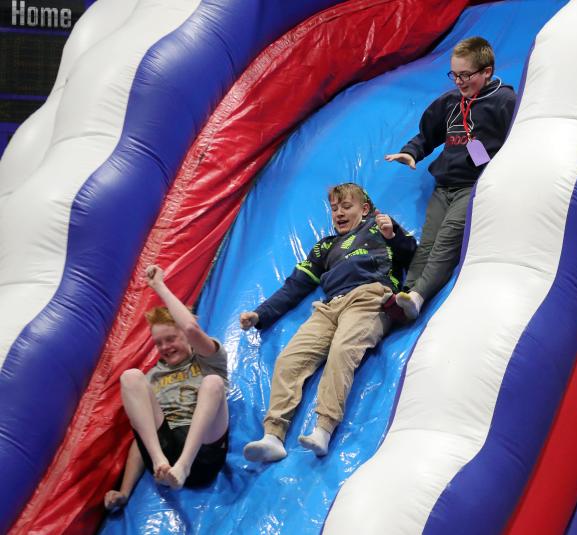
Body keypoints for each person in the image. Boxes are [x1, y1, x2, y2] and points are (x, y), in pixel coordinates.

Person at [240, 183, 416, 462]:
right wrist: (260, 314)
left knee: (343, 350)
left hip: (368, 296)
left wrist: (392, 235)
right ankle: (273, 436)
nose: (339, 213)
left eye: (346, 207)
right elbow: (294, 286)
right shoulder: (325, 246)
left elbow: (411, 252)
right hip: (329, 307)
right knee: (289, 360)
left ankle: (323, 429)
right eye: (334, 209)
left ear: (365, 209)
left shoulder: (378, 227)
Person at [385, 36, 515, 320]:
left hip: (474, 185)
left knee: (446, 242)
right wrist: (411, 154)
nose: (459, 81)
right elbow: (426, 136)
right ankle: (404, 296)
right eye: (454, 75)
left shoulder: (503, 100)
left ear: (487, 72)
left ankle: (419, 296)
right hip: (444, 186)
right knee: (428, 243)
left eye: (466, 75)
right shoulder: (450, 102)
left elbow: (516, 139)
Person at [104, 265, 229, 511]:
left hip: (203, 453)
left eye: (171, 338)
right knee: (130, 377)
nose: (165, 347)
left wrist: (159, 286)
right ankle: (164, 463)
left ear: (184, 334)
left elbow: (193, 329)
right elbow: (141, 434)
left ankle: (183, 465)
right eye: (158, 343)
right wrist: (124, 492)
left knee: (213, 382)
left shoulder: (209, 358)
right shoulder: (153, 377)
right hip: (164, 460)